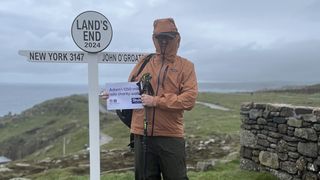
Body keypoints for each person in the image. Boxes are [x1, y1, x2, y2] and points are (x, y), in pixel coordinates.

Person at [102, 18, 198, 180]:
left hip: (170, 135)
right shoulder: (144, 61)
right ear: (154, 38)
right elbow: (131, 89)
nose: (163, 41)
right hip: (141, 134)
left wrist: (156, 101)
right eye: (159, 37)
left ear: (177, 38)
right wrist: (114, 94)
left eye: (168, 37)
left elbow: (189, 99)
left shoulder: (186, 66)